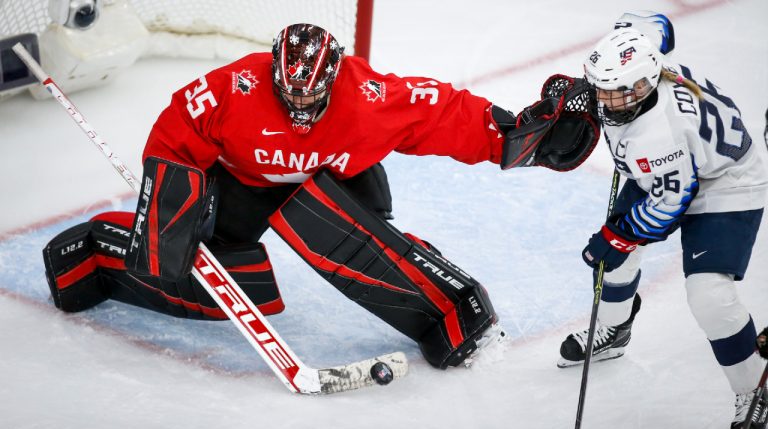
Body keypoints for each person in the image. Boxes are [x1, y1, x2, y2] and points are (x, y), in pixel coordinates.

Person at [42, 23, 598, 370]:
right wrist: (167, 213)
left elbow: (442, 111)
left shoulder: (369, 96)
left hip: (339, 182)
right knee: (226, 285)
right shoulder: (232, 89)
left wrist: (514, 135)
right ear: (273, 73)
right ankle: (95, 256)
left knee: (342, 234)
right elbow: (174, 133)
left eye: (313, 94)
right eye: (289, 92)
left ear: (336, 78)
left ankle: (446, 313)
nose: (300, 106)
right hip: (243, 185)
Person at [556, 25, 768, 429]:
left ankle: (754, 386)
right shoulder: (639, 75)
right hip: (676, 166)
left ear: (642, 84)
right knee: (613, 262)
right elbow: (657, 26)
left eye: (613, 90)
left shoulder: (656, 134)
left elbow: (671, 202)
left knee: (709, 295)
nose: (602, 99)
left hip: (726, 183)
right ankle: (614, 330)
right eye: (600, 87)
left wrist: (616, 236)